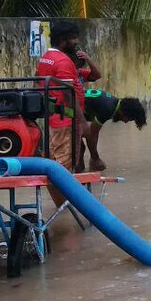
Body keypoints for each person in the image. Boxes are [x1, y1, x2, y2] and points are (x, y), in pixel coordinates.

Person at [35, 22, 97, 183]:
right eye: (74, 38)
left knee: (55, 160)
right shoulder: (62, 61)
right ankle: (65, 203)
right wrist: (82, 122)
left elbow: (37, 83)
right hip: (66, 121)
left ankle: (61, 202)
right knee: (65, 164)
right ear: (64, 39)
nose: (77, 42)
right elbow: (68, 93)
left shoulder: (45, 58)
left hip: (54, 117)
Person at [79, 89, 147, 172]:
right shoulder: (108, 109)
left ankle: (78, 175)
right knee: (79, 148)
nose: (125, 122)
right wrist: (95, 158)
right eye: (128, 119)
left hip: (68, 108)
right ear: (125, 112)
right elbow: (92, 133)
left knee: (80, 148)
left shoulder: (112, 101)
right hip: (62, 110)